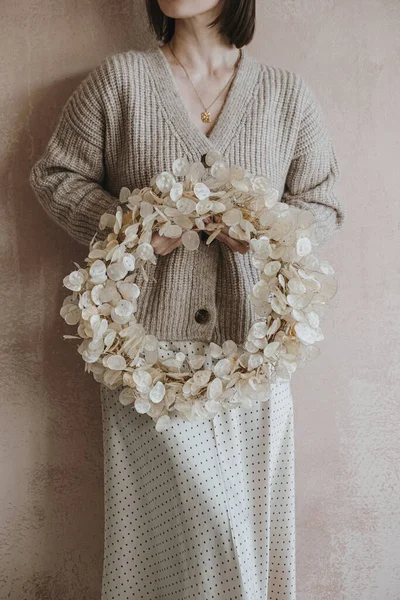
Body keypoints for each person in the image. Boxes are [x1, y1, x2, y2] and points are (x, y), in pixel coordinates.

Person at [29, 1, 345, 598]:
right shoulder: (120, 82)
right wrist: (135, 229)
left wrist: (263, 230)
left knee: (249, 541)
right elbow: (55, 177)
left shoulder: (285, 95)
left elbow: (323, 203)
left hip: (254, 366)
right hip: (145, 367)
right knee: (188, 541)